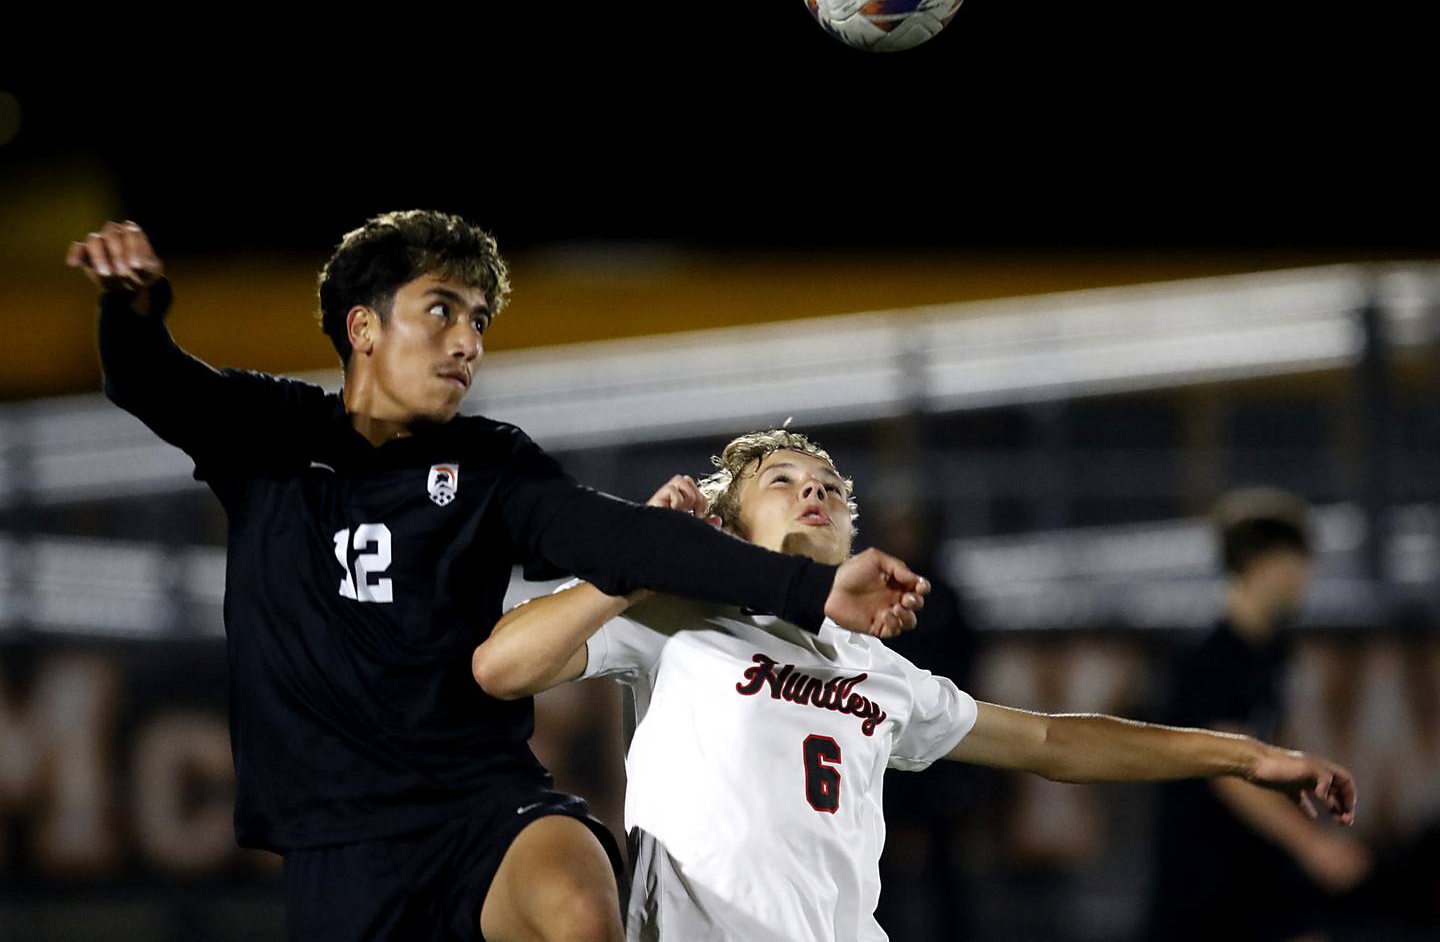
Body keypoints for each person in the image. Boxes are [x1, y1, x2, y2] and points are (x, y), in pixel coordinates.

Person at [65, 213, 929, 942]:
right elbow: (148, 380)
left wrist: (813, 592)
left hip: (484, 806)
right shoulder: (267, 434)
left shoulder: (491, 465)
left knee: (582, 909)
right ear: (363, 327)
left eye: (477, 319)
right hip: (338, 844)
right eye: (441, 311)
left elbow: (619, 539)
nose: (467, 343)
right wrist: (134, 309)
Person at [473, 430, 1360, 942]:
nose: (811, 492)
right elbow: (504, 665)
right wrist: (632, 562)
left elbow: (1053, 742)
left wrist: (1245, 756)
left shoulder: (881, 672)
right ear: (731, 521)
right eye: (780, 482)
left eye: (826, 485)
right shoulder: (675, 616)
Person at [1145, 489, 1374, 942]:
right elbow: (1229, 771)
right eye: (1292, 565)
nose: (1303, 579)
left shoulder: (1271, 651)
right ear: (1255, 565)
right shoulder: (1209, 657)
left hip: (1254, 864)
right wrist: (1313, 848)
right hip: (1206, 873)